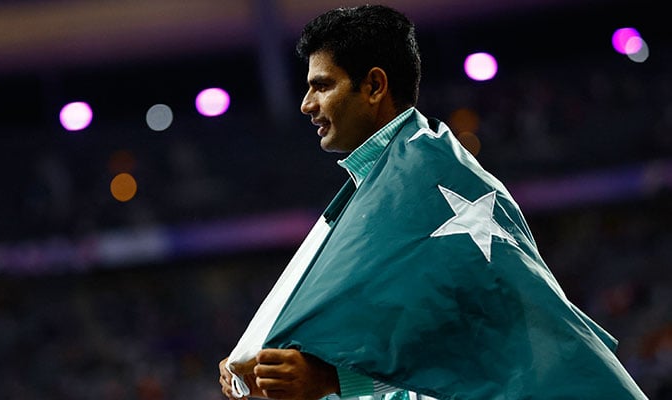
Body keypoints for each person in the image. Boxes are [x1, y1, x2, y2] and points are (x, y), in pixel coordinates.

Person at [219, 4, 647, 400]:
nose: (306, 104)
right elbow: (405, 334)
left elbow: (473, 339)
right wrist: (263, 353)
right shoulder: (389, 181)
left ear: (373, 85)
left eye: (322, 86)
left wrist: (330, 379)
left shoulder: (424, 180)